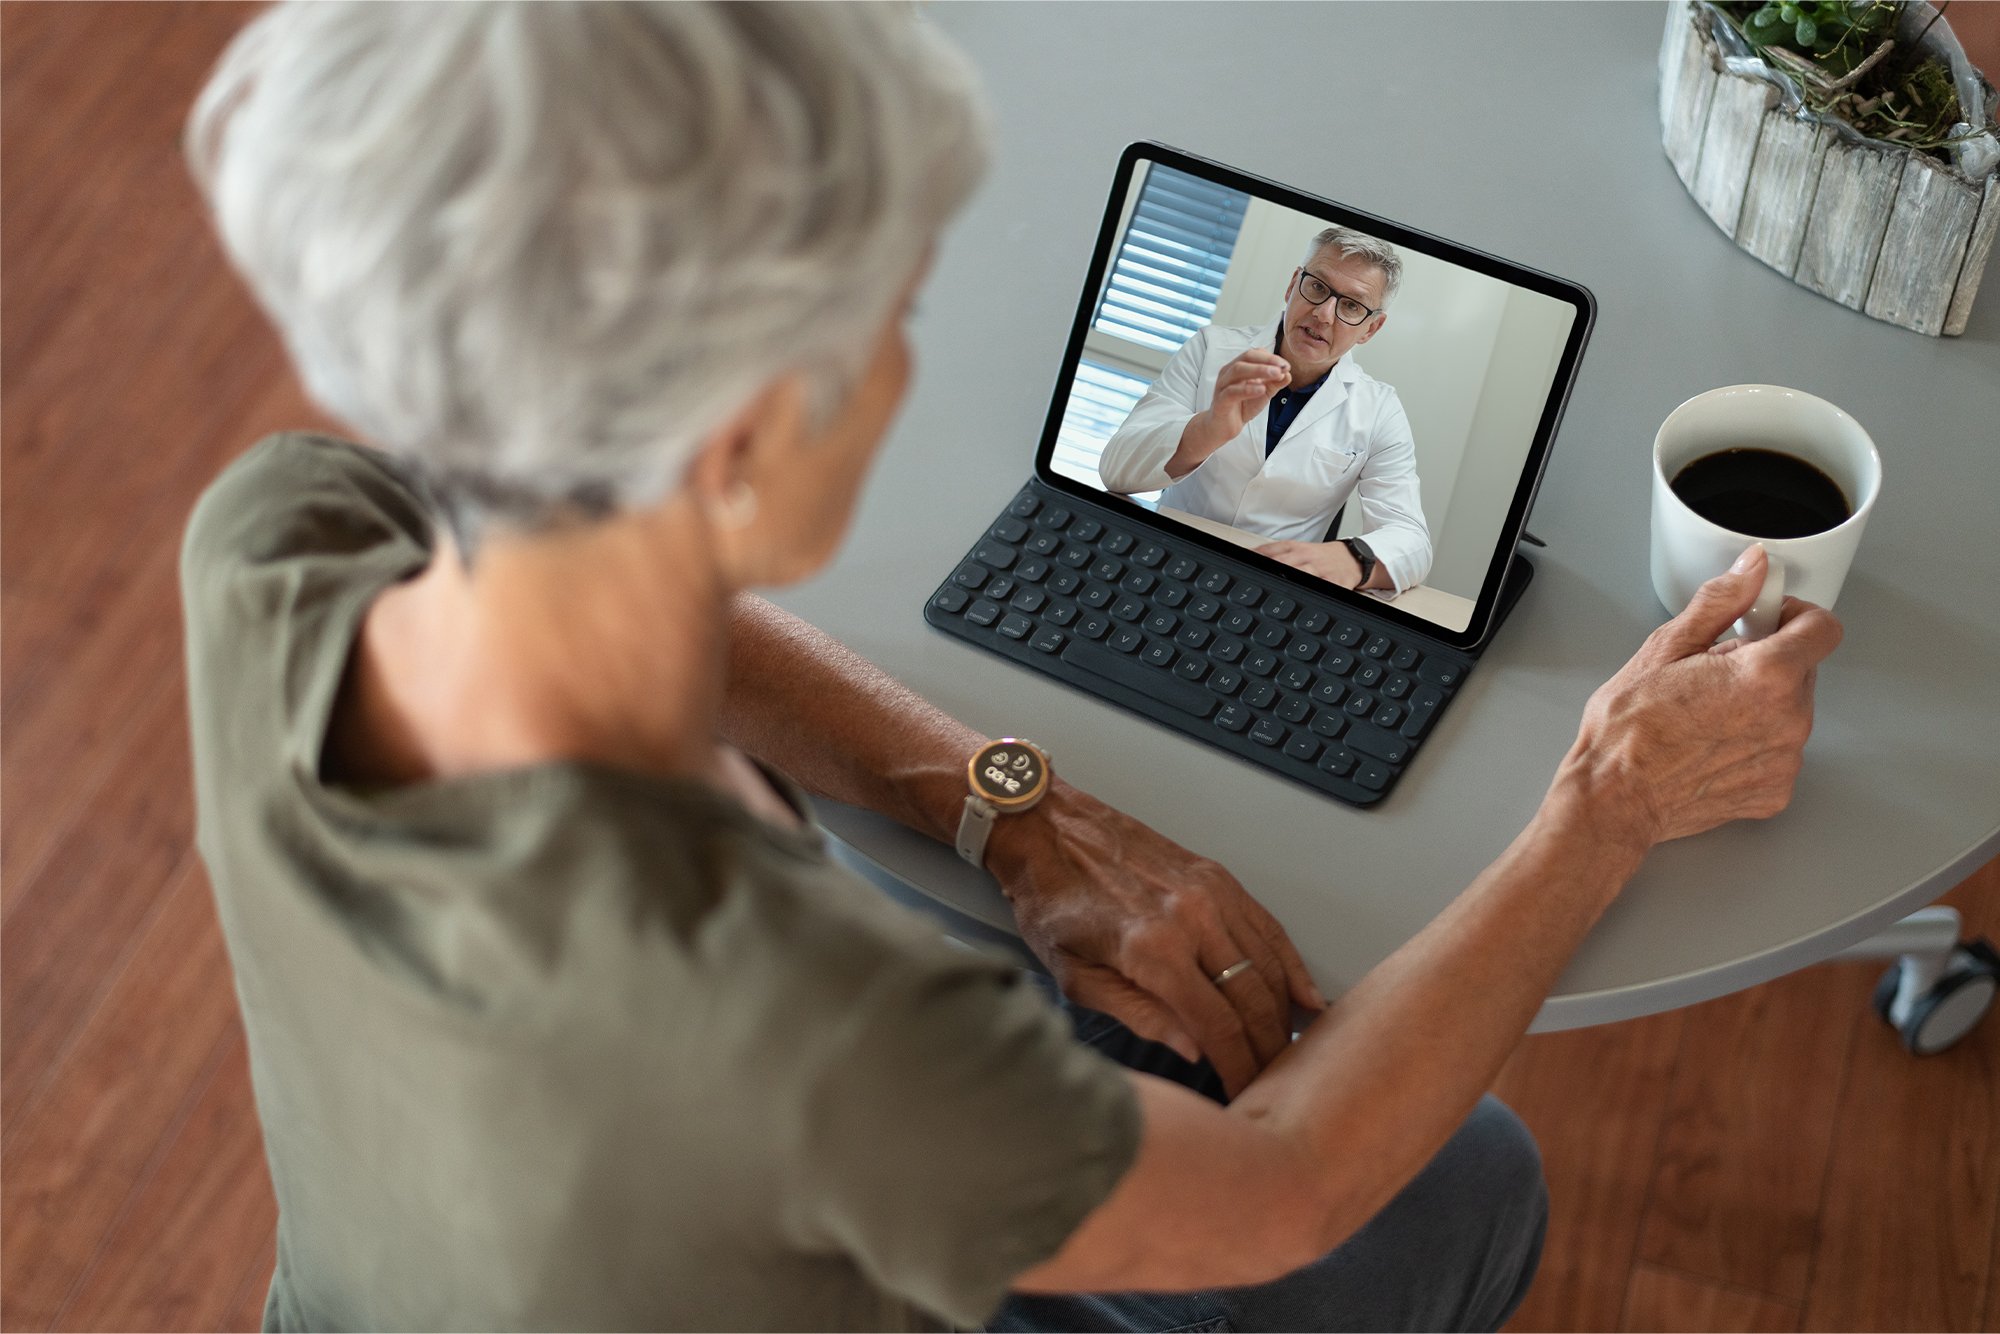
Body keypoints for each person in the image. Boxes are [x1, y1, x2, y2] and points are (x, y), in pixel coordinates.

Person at [180, 4, 1841, 1330]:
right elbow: (1289, 1185)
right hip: (843, 1183)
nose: (912, 357)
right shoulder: (806, 1020)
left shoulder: (277, 535)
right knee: (1467, 1185)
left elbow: (643, 609)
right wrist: (1612, 795)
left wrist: (1017, 813)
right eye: (897, 314)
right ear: (748, 435)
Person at [1097, 228, 1433, 594]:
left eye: (1351, 306)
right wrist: (1210, 428)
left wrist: (1355, 559)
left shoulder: (1379, 410)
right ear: (1293, 286)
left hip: (1272, 590)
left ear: (1371, 328)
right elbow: (1116, 472)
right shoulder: (1210, 349)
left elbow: (1412, 539)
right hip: (1164, 562)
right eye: (1317, 287)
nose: (1323, 314)